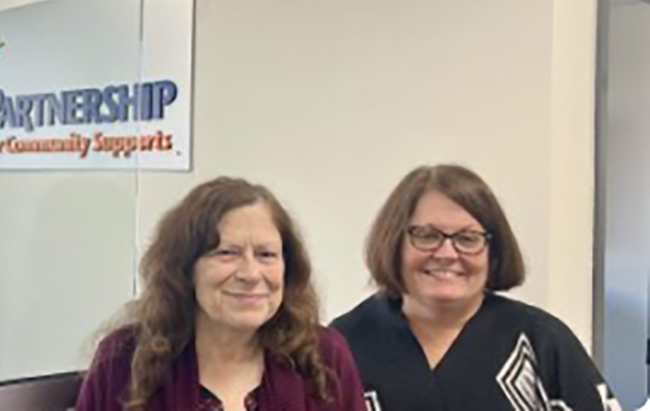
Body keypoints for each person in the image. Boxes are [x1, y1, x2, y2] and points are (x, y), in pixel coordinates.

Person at [331, 164, 623, 411]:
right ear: (394, 242)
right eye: (427, 235)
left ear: (492, 251)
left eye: (468, 238)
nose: (447, 253)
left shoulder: (542, 342)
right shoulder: (340, 346)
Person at [77, 177, 367, 411]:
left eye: (266, 254)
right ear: (185, 268)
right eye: (227, 253)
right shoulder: (124, 359)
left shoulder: (324, 356)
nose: (251, 274)